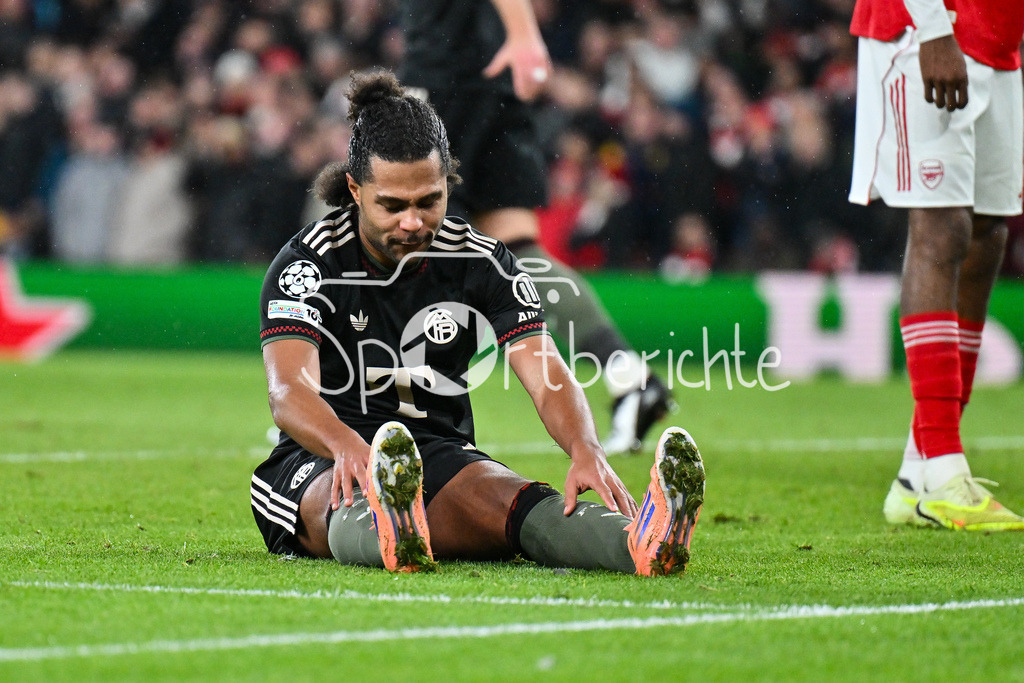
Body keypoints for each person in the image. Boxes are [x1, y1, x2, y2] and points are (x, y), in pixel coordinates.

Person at [251, 71, 705, 575]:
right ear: (355, 191)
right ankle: (387, 528)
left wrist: (584, 447)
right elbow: (288, 392)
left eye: (429, 201)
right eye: (393, 206)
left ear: (448, 184)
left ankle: (642, 543)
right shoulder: (308, 266)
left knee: (523, 504)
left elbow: (546, 373)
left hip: (437, 453)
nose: (412, 222)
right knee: (342, 501)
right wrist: (349, 448)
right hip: (322, 457)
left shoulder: (483, 261)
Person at [394, 0, 672, 455]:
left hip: (446, 78)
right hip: (493, 83)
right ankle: (631, 380)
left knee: (398, 236)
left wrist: (524, 36)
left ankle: (361, 411)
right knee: (518, 251)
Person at [848, 0, 1024, 530]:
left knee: (988, 233)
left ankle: (915, 473)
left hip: (997, 40)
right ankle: (946, 471)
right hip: (923, 31)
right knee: (940, 228)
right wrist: (933, 28)